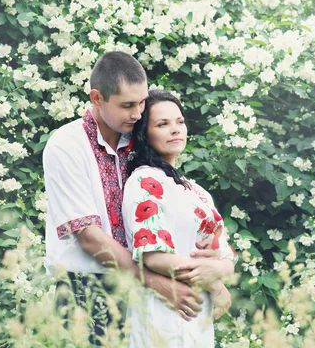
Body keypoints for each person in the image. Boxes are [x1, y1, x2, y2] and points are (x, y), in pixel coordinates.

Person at [43, 52, 211, 344]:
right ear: (97, 98)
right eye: (127, 105)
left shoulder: (139, 140)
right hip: (85, 289)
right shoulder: (66, 145)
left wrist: (213, 270)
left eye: (142, 102)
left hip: (139, 290)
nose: (137, 113)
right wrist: (158, 283)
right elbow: (90, 238)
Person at [122, 90, 237, 347]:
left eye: (179, 122)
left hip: (198, 313)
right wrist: (215, 286)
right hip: (162, 308)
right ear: (145, 134)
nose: (175, 130)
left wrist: (218, 271)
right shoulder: (144, 181)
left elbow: (226, 254)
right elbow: (152, 255)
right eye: (163, 124)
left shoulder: (195, 190)